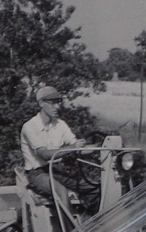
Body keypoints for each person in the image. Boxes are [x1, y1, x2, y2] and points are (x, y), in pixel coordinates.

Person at [20, 85, 95, 217]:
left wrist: (102, 148)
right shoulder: (30, 126)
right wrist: (72, 148)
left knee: (94, 188)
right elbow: (44, 154)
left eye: (58, 103)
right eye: (53, 103)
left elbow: (78, 148)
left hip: (55, 170)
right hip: (37, 174)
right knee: (61, 191)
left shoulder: (60, 124)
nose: (57, 107)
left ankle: (95, 224)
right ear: (41, 103)